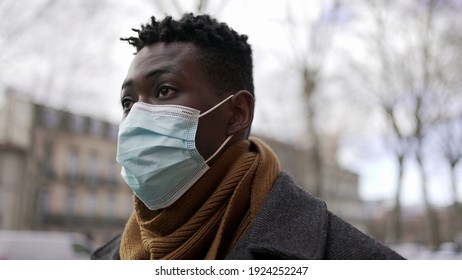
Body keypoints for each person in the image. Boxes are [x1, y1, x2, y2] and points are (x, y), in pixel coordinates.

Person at [92, 13, 404, 260]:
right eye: (127, 103)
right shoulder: (108, 260)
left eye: (164, 91)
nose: (136, 118)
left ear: (237, 113)